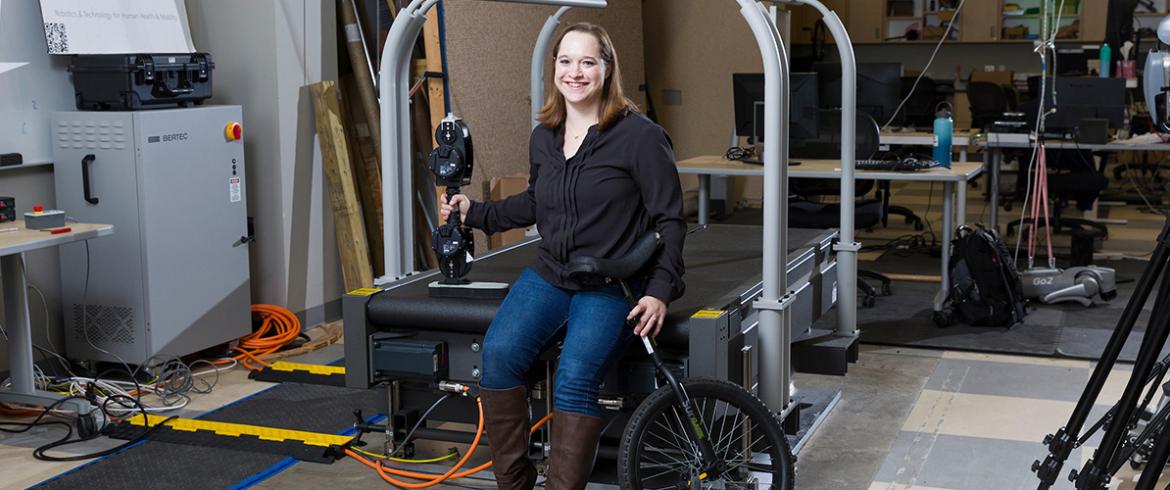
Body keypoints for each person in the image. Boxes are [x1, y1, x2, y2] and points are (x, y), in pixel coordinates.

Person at [439, 22, 686, 490]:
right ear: (555, 68)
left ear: (606, 69)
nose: (575, 72)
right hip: (551, 273)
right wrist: (477, 212)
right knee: (498, 354)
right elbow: (537, 202)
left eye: (587, 61)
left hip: (612, 283)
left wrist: (660, 291)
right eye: (566, 61)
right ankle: (515, 484)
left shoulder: (640, 137)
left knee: (574, 378)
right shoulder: (545, 136)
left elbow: (670, 221)